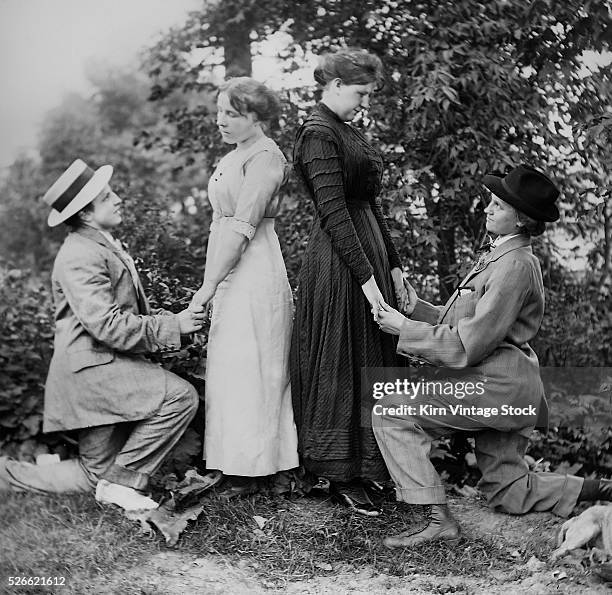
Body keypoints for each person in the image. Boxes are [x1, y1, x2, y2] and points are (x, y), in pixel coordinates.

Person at [373, 164, 612, 546]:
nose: (487, 208)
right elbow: (468, 324)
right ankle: (602, 489)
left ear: (521, 221)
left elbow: (470, 344)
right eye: (491, 201)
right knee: (509, 490)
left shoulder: (514, 265)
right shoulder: (502, 256)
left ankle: (437, 521)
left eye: (498, 205)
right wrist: (416, 309)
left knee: (391, 411)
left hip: (494, 389)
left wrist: (404, 330)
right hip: (509, 387)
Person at [0, 159, 204, 511]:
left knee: (95, 475)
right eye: (108, 197)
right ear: (86, 214)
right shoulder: (79, 254)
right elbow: (107, 325)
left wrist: (174, 324)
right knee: (180, 397)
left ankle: (8, 475)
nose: (118, 199)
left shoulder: (99, 245)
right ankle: (121, 483)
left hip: (102, 368)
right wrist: (174, 325)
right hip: (94, 373)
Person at [290, 48, 417, 515]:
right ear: (336, 85)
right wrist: (364, 277)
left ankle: (369, 467)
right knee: (342, 359)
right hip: (339, 261)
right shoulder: (317, 133)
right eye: (360, 92)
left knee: (373, 356)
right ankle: (338, 471)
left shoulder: (348, 130)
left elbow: (370, 202)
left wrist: (396, 266)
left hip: (370, 256)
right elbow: (333, 212)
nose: (364, 101)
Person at [189, 77, 299, 494]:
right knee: (233, 365)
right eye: (219, 112)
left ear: (257, 117)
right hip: (227, 265)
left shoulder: (266, 156)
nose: (221, 120)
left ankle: (266, 469)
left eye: (232, 114)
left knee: (258, 365)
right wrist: (213, 278)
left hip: (253, 269)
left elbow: (242, 226)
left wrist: (207, 286)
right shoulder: (236, 154)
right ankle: (236, 465)